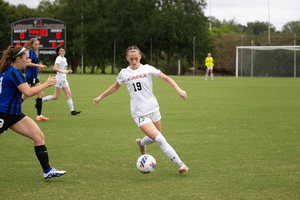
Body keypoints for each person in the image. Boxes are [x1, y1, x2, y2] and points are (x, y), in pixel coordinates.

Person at [93, 46, 189, 174]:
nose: (134, 61)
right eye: (131, 59)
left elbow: (167, 78)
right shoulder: (124, 73)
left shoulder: (147, 69)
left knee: (156, 137)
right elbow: (115, 86)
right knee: (160, 139)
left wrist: (179, 90)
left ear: (140, 57)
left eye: (136, 58)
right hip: (139, 113)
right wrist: (101, 96)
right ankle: (181, 164)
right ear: (127, 58)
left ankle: (141, 143)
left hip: (154, 108)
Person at [0, 45, 66, 180]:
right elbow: (28, 92)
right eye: (26, 58)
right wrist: (46, 84)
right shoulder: (13, 72)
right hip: (2, 113)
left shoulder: (13, 71)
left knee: (38, 136)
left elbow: (24, 94)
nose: (28, 60)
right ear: (18, 59)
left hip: (14, 114)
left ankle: (47, 170)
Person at [42, 45, 81, 115]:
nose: (62, 52)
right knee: (55, 96)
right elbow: (54, 68)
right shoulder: (58, 58)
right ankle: (40, 100)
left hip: (64, 79)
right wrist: (63, 72)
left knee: (69, 94)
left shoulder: (64, 59)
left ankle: (72, 111)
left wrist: (67, 71)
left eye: (63, 51)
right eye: (60, 51)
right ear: (58, 52)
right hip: (59, 79)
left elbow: (63, 69)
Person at [22, 38, 49, 121]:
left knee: (40, 95)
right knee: (25, 96)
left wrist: (38, 67)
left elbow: (33, 63)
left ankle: (39, 115)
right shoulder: (30, 52)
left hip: (34, 77)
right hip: (30, 77)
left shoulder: (33, 52)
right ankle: (12, 107)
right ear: (31, 45)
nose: (37, 46)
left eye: (38, 44)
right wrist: (39, 66)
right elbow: (28, 63)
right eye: (35, 44)